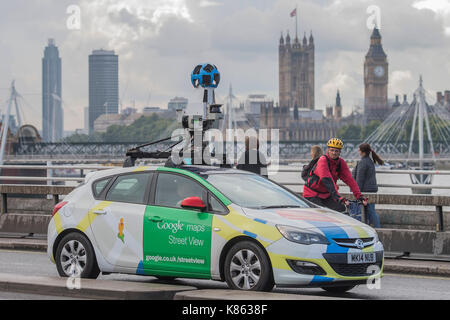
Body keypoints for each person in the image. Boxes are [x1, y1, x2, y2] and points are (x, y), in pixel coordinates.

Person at [303, 138, 367, 212]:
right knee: (322, 212)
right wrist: (338, 197)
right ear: (328, 150)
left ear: (340, 152)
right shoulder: (323, 160)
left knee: (341, 208)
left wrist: (359, 196)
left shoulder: (340, 163)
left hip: (326, 195)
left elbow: (350, 180)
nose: (334, 153)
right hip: (312, 194)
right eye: (332, 150)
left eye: (336, 151)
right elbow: (326, 179)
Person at [352, 143, 383, 227]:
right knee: (369, 210)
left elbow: (359, 178)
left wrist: (357, 192)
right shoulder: (369, 161)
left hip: (366, 190)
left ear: (362, 152)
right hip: (371, 189)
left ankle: (378, 228)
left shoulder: (363, 162)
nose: (358, 151)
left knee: (370, 211)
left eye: (359, 150)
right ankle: (372, 227)